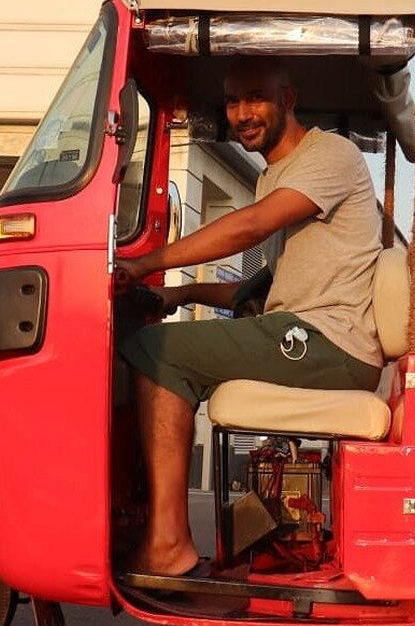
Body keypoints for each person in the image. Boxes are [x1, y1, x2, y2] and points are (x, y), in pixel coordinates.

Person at [114, 57, 384, 577]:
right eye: (233, 101)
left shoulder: (330, 155)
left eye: (256, 98)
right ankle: (151, 522)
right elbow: (259, 290)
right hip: (303, 331)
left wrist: (146, 262)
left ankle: (168, 544)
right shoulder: (277, 175)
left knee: (158, 352)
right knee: (166, 341)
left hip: (331, 341)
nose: (242, 113)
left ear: (287, 99)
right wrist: (181, 294)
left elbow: (251, 227)